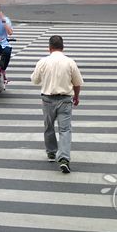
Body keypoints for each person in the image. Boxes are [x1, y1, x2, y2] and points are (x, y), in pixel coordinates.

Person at [31, 35, 84, 174]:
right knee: (65, 130)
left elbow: (35, 80)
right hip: (65, 100)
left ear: (49, 48)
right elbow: (77, 83)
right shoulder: (70, 62)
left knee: (48, 127)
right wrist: (76, 97)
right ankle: (64, 159)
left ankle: (51, 153)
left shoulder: (43, 62)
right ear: (63, 47)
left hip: (47, 100)